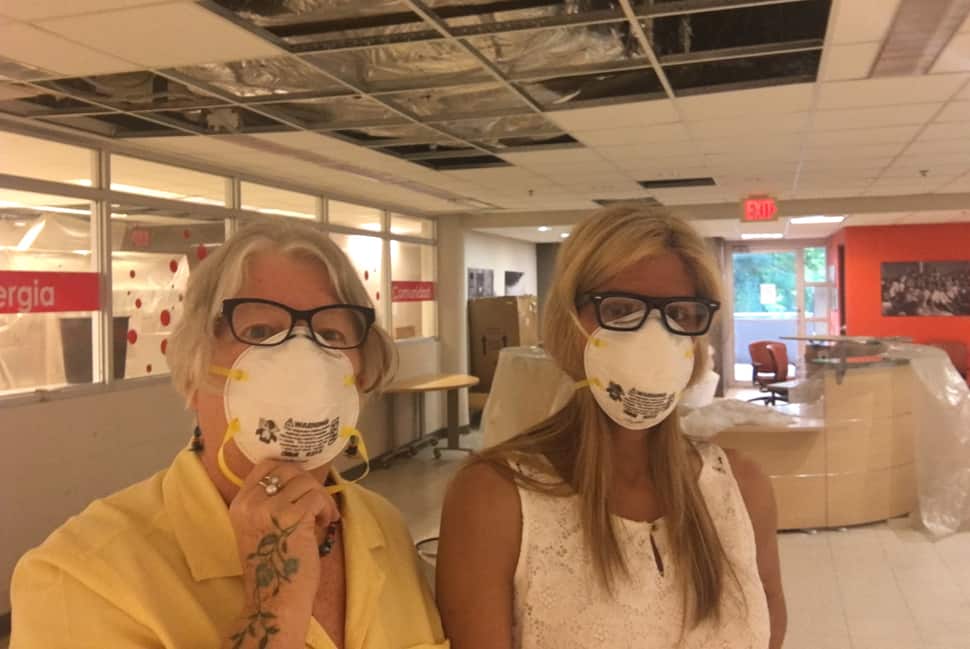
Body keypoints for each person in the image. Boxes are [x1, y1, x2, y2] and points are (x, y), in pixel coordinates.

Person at [11, 220, 447, 649]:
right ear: (193, 366)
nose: (302, 358)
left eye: (330, 334)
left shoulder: (382, 529)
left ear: (363, 371)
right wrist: (271, 612)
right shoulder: (81, 576)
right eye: (260, 332)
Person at [436, 206, 786, 649]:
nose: (653, 336)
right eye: (620, 309)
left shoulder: (741, 489)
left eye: (681, 314)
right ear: (568, 320)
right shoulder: (494, 499)